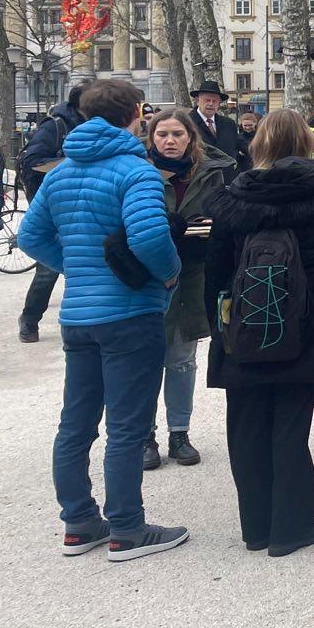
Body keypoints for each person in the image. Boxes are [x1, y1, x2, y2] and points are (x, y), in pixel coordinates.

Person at [20, 79, 187, 561]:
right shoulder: (135, 170)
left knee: (75, 423)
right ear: (136, 113)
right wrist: (169, 275)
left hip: (79, 315)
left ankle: (78, 521)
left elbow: (31, 237)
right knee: (127, 426)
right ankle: (127, 529)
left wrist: (77, 265)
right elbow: (151, 237)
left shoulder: (62, 170)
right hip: (130, 312)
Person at [202, 109, 314, 556]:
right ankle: (291, 526)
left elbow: (216, 269)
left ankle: (256, 526)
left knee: (246, 425)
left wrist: (218, 325)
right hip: (308, 320)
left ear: (259, 145)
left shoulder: (233, 196)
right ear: (306, 143)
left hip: (245, 322)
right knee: (291, 426)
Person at [142, 108, 234, 469]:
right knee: (147, 361)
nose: (169, 140)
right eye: (162, 134)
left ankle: (179, 433)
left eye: (177, 134)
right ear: (151, 139)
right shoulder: (139, 172)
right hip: (148, 280)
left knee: (181, 360)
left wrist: (208, 231)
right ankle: (144, 436)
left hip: (194, 275)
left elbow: (224, 218)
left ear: (190, 138)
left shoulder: (211, 173)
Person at [15, 83, 87, 343]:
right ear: (81, 104)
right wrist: (69, 166)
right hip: (58, 203)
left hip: (87, 203)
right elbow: (29, 160)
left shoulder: (98, 123)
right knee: (48, 269)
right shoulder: (55, 126)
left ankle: (81, 319)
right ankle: (29, 319)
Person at [188, 80, 250, 180]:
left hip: (227, 181)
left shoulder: (228, 124)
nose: (211, 104)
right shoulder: (187, 123)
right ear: (197, 100)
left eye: (215, 101)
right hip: (199, 181)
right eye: (207, 100)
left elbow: (243, 146)